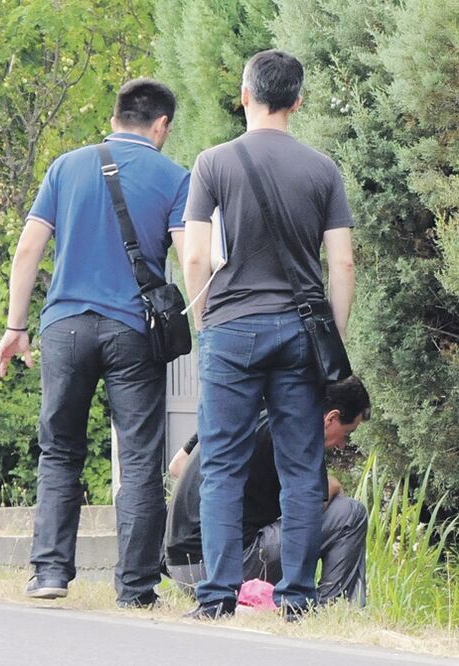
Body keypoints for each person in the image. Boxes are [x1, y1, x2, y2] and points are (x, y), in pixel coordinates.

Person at [0, 79, 189, 608]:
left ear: (115, 114)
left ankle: (50, 572)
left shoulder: (66, 166)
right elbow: (192, 259)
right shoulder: (174, 177)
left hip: (65, 327)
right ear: (161, 124)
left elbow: (29, 247)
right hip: (132, 331)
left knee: (59, 450)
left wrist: (15, 328)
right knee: (142, 457)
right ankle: (136, 587)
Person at [181, 50, 356, 618]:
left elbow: (196, 259)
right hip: (301, 332)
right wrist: (332, 339)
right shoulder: (323, 169)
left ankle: (216, 598)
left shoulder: (213, 163)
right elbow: (343, 266)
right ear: (298, 101)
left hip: (231, 327)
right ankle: (297, 598)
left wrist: (207, 321)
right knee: (302, 469)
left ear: (245, 94)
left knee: (223, 464)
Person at [165, 376, 371, 607]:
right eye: (347, 433)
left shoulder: (250, 408)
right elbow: (310, 506)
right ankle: (335, 606)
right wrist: (333, 486)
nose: (343, 445)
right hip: (224, 568)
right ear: (331, 418)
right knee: (350, 513)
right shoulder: (298, 432)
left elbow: (177, 466)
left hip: (183, 567)